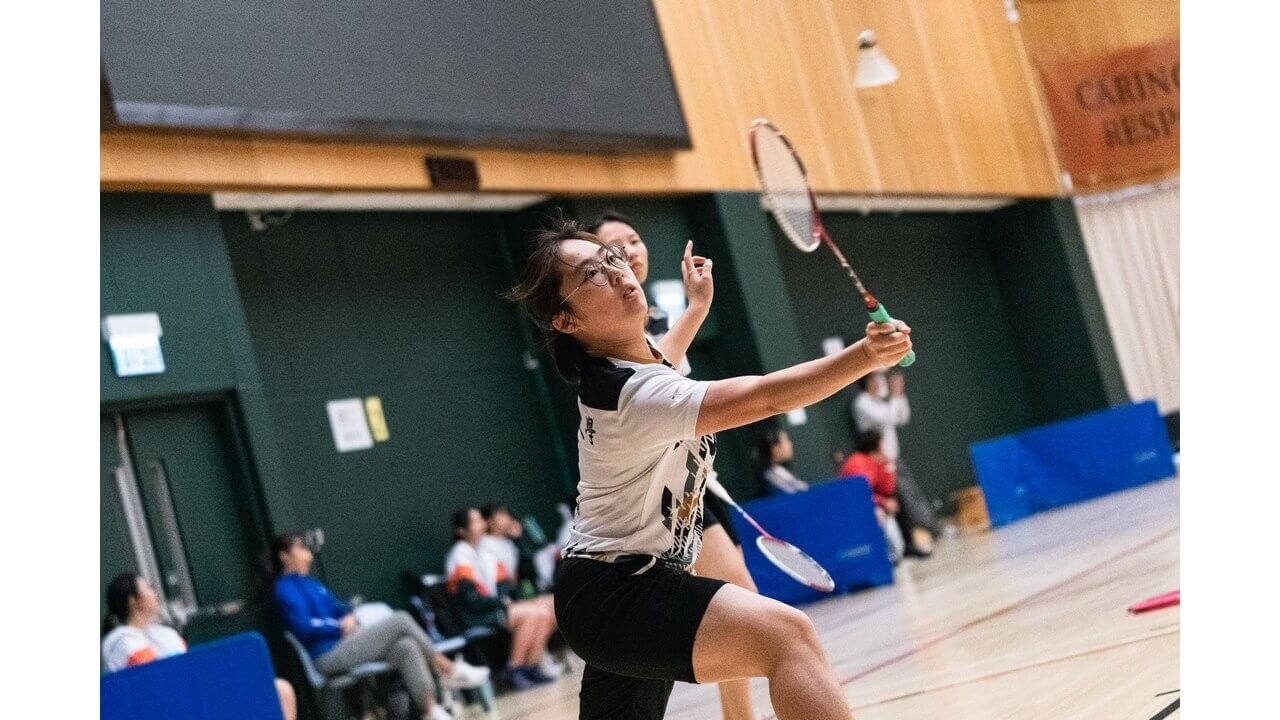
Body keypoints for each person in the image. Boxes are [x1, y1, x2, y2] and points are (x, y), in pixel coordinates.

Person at [504, 219, 912, 720]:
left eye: (612, 258)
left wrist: (697, 307)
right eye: (591, 274)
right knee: (788, 636)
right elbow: (765, 397)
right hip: (618, 591)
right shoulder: (632, 394)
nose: (616, 271)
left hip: (612, 589)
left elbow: (666, 359)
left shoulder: (629, 370)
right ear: (565, 321)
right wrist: (866, 355)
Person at [593, 210, 760, 720]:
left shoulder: (661, 319)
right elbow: (655, 373)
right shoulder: (606, 339)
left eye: (634, 239)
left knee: (741, 602)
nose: (631, 250)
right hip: (652, 498)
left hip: (692, 484)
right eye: (615, 248)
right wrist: (698, 308)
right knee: (719, 616)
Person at [267, 533, 489, 720]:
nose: (307, 551)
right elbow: (305, 627)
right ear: (284, 556)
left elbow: (340, 609)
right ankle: (447, 669)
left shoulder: (313, 584)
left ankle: (430, 709)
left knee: (405, 646)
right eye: (300, 547)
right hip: (327, 655)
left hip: (347, 643)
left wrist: (350, 617)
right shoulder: (284, 589)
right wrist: (338, 627)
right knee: (401, 619)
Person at [102, 572, 298, 720]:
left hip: (191, 698)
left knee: (281, 690)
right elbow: (157, 680)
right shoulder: (121, 641)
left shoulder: (163, 634)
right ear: (133, 601)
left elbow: (190, 668)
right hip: (165, 709)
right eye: (148, 588)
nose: (155, 592)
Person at [447, 507, 559, 690]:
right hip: (475, 616)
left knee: (550, 607)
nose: (481, 523)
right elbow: (472, 601)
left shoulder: (483, 553)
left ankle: (531, 666)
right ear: (461, 530)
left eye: (480, 519)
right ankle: (515, 668)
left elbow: (504, 584)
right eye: (474, 521)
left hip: (494, 607)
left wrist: (504, 599)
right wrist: (500, 602)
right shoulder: (460, 555)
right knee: (536, 613)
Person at [852, 371, 936, 555]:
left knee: (909, 499)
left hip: (894, 460)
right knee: (904, 502)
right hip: (879, 466)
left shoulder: (880, 401)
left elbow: (902, 417)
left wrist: (899, 395)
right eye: (874, 378)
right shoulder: (862, 403)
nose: (879, 382)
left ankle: (919, 537)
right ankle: (914, 540)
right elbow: (887, 418)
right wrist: (895, 394)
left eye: (880, 378)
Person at [837, 430, 907, 563]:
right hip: (852, 510)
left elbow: (887, 489)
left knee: (896, 543)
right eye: (882, 443)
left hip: (870, 505)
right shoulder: (858, 462)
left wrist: (888, 466)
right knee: (881, 516)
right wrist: (883, 502)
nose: (884, 446)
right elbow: (858, 495)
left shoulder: (874, 461)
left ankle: (892, 557)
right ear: (875, 444)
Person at [756, 427, 809, 495]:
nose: (790, 444)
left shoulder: (779, 470)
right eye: (786, 441)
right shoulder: (769, 476)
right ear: (774, 448)